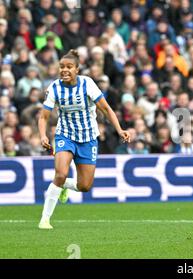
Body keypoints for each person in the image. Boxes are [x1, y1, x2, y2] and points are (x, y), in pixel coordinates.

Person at [38, 49, 130, 229]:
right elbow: (43, 117)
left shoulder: (87, 84)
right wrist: (43, 135)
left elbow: (106, 109)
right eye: (62, 67)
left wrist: (119, 130)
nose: (64, 70)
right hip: (65, 135)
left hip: (88, 137)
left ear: (77, 70)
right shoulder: (54, 88)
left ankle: (65, 186)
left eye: (69, 67)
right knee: (60, 173)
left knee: (85, 186)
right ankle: (45, 219)